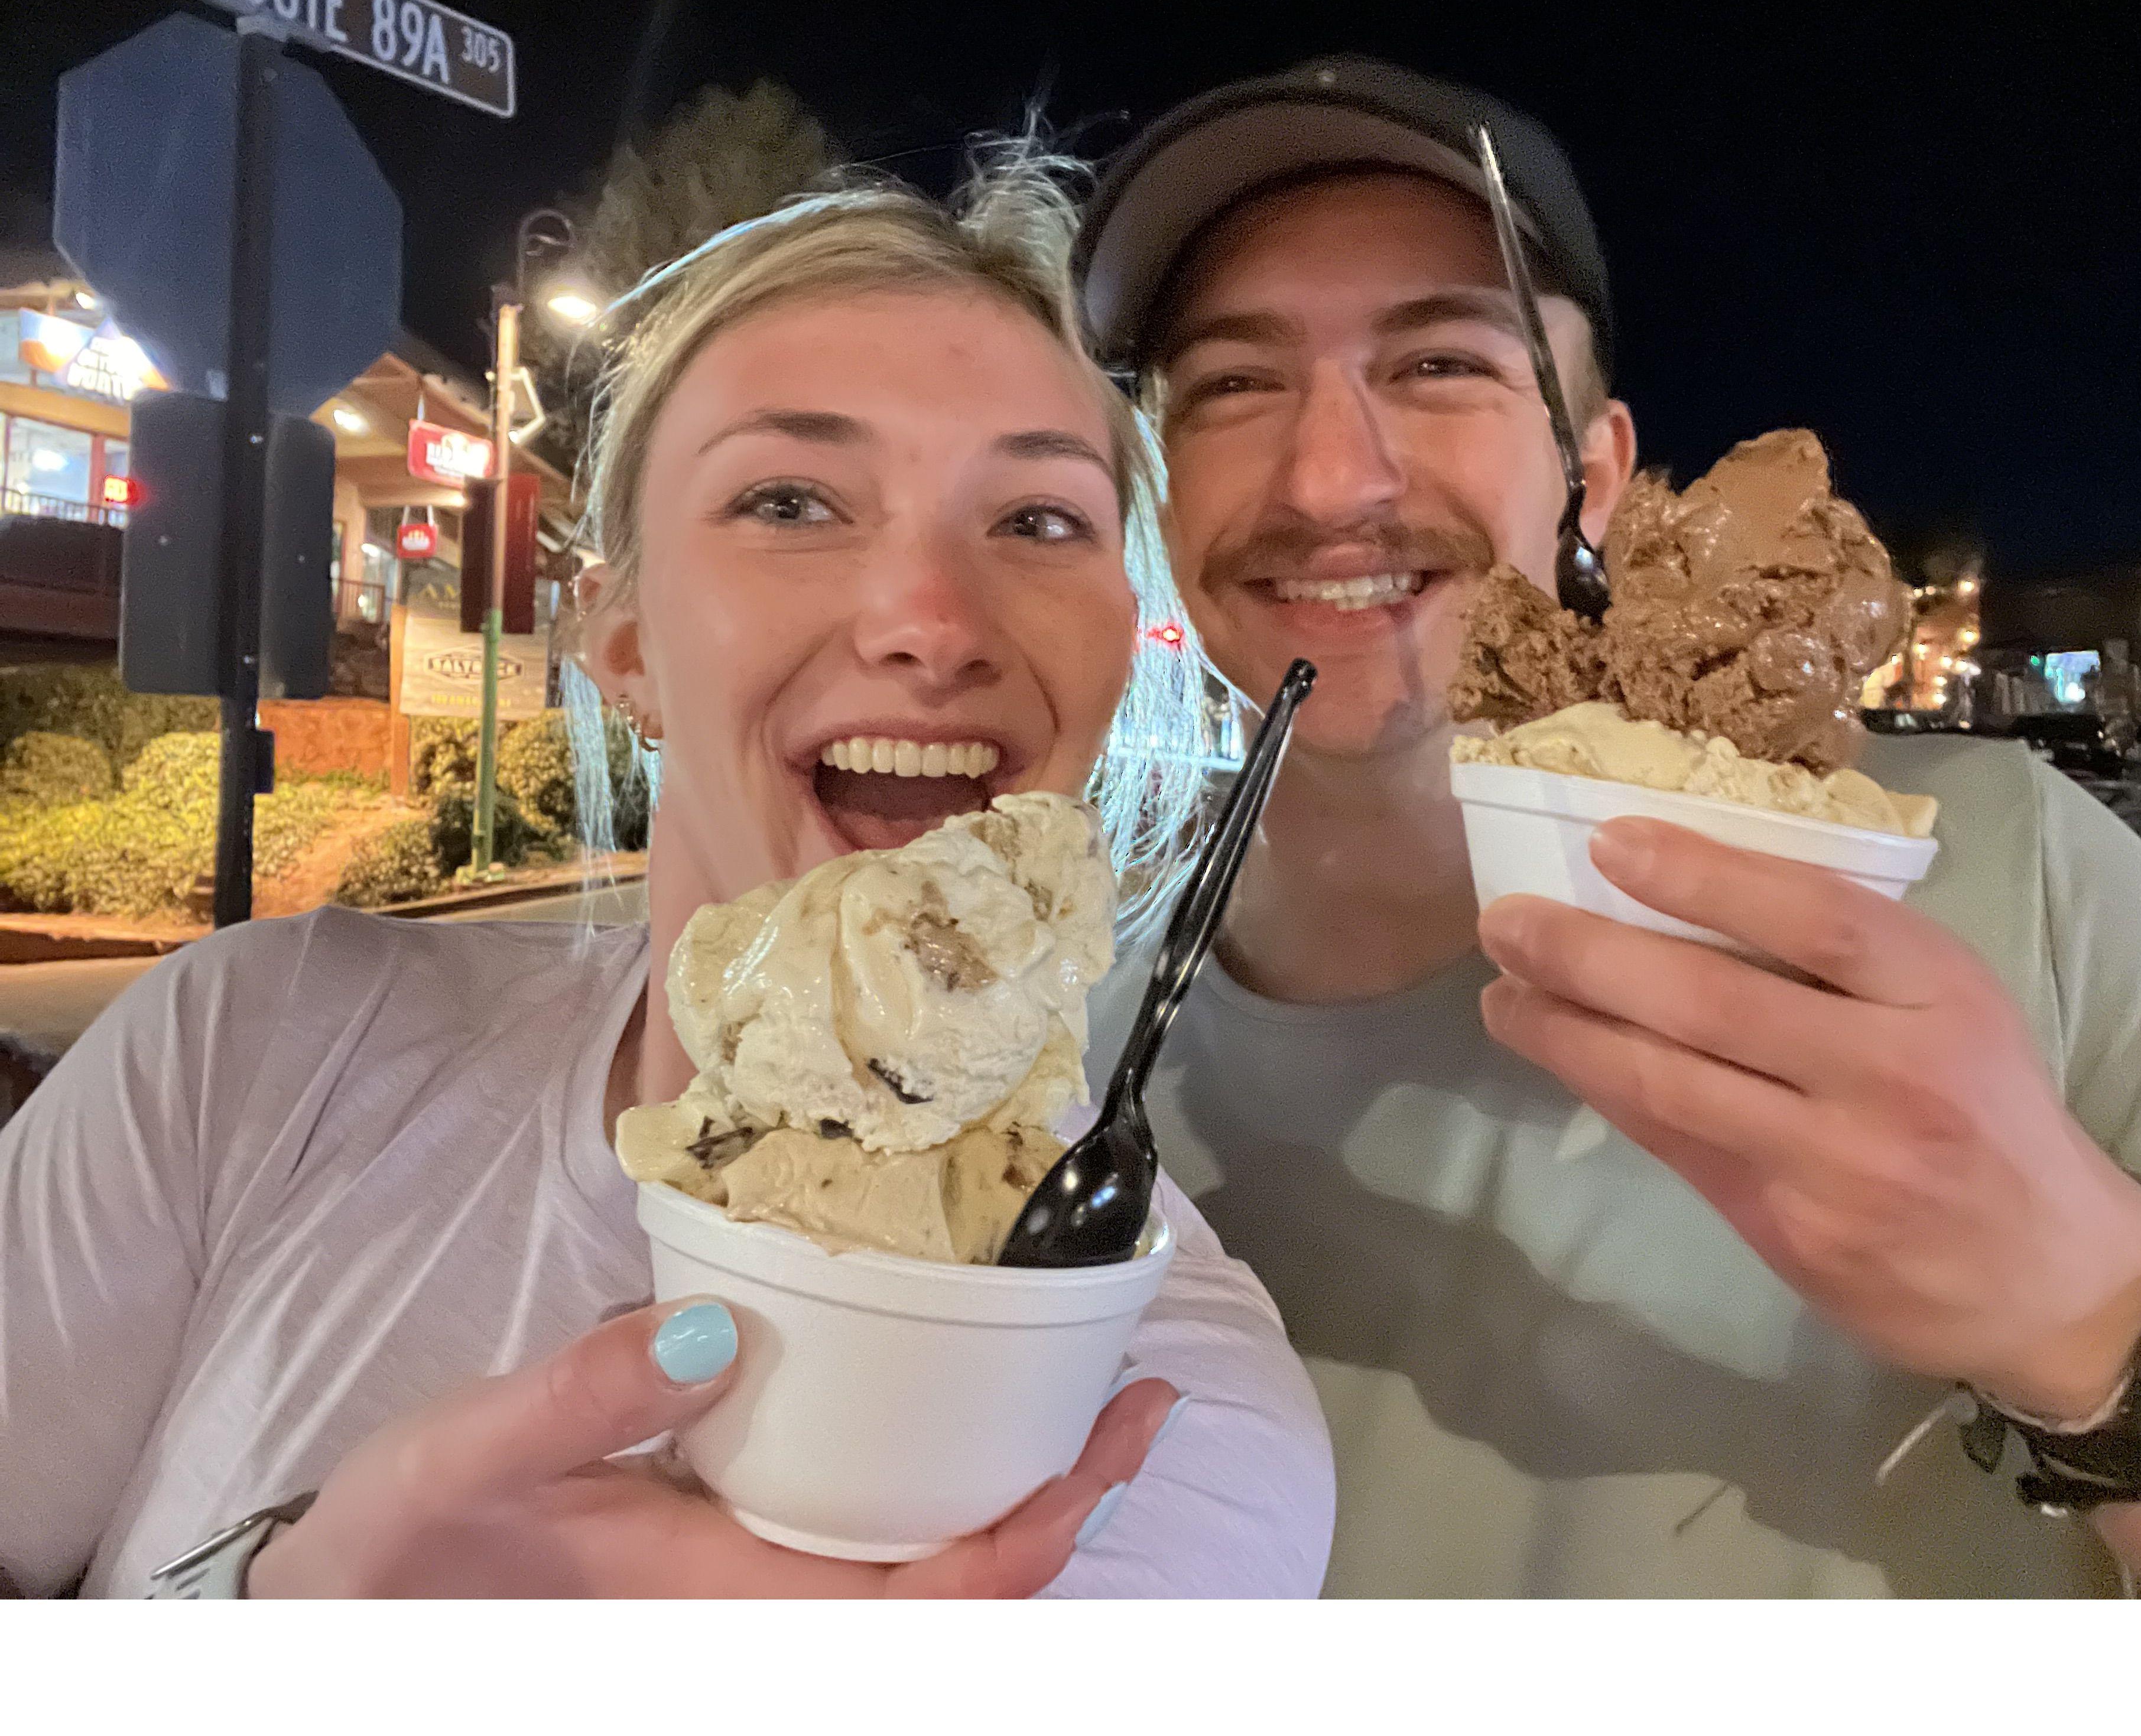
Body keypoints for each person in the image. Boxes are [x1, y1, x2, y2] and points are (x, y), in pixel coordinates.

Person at [1073, 53, 2141, 1598]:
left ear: (1600, 477)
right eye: (1232, 384)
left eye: (1443, 367)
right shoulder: (1054, 1023)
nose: (1329, 475)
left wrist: (2103, 1310)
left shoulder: (1992, 873)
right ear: (1151, 490)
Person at [0, 151, 1333, 1600]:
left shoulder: (1173, 1428)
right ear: (621, 640)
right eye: (791, 501)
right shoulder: (247, 1056)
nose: (933, 622)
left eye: (1039, 520)